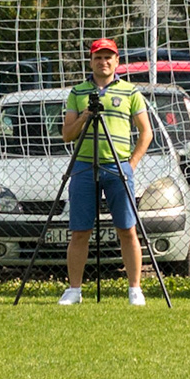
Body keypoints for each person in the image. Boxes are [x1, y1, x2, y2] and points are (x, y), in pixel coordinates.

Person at [58, 37, 153, 307]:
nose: (104, 62)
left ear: (117, 61)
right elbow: (67, 134)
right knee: (79, 231)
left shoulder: (130, 92)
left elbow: (146, 132)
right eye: (98, 57)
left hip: (117, 166)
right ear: (91, 61)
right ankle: (74, 289)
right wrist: (87, 114)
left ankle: (135, 289)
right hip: (84, 166)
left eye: (108, 56)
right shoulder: (78, 92)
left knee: (127, 228)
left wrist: (131, 164)